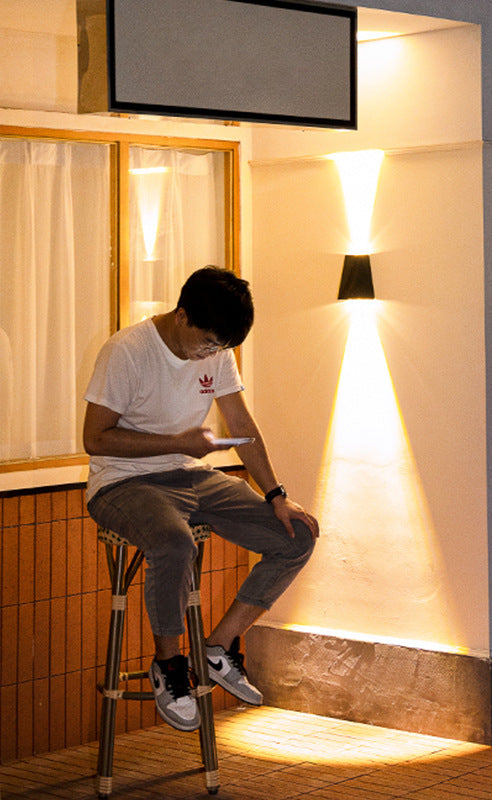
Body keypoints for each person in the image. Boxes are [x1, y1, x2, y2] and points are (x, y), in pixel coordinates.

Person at [83, 266, 319, 732]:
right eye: (208, 342)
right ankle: (169, 667)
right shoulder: (127, 351)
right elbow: (95, 438)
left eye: (221, 347)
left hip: (190, 475)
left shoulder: (217, 353)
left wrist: (276, 495)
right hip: (122, 482)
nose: (211, 354)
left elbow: (242, 426)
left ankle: (217, 648)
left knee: (296, 535)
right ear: (183, 315)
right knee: (174, 543)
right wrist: (177, 443)